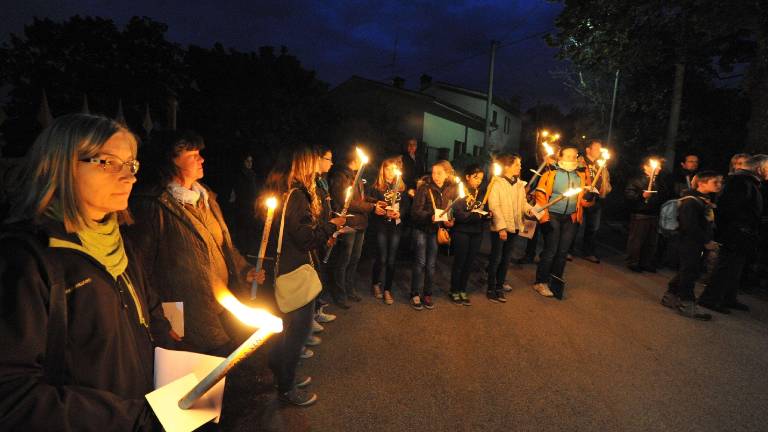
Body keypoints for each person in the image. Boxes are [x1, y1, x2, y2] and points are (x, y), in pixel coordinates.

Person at [0, 114, 175, 430]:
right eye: (108, 163)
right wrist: (134, 420)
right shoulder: (25, 259)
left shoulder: (123, 247)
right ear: (61, 165)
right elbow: (12, 395)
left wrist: (182, 377)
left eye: (132, 165)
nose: (129, 178)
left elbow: (153, 322)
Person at [127, 130, 260, 356]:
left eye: (200, 153)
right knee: (202, 372)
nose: (202, 159)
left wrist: (243, 269)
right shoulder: (152, 206)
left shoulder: (205, 197)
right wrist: (157, 319)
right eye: (193, 154)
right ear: (171, 160)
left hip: (221, 305)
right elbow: (139, 270)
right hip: (185, 316)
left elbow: (222, 244)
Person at [263, 146, 346, 406]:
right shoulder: (297, 196)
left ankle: (282, 377)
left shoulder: (280, 190)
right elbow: (304, 238)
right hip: (294, 271)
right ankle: (287, 387)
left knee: (284, 332)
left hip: (282, 270)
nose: (316, 167)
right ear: (303, 165)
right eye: (313, 162)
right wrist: (331, 226)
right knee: (296, 334)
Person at [698, 155, 767, 314]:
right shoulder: (739, 182)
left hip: (743, 232)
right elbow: (730, 208)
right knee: (727, 265)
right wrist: (743, 224)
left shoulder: (749, 182)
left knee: (736, 267)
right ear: (759, 168)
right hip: (735, 232)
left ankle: (728, 297)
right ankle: (710, 298)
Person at [533, 146, 594, 298]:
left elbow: (584, 200)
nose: (571, 159)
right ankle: (541, 282)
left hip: (571, 217)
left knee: (562, 252)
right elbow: (540, 195)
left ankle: (555, 281)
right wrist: (545, 218)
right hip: (552, 215)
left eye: (574, 156)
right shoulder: (551, 171)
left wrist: (589, 199)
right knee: (551, 250)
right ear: (560, 157)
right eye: (568, 156)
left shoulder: (580, 174)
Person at [327, 146, 385, 308]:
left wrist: (374, 202)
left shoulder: (355, 176)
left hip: (360, 223)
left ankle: (349, 289)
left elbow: (362, 197)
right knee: (344, 260)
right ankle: (340, 294)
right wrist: (372, 208)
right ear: (355, 159)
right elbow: (346, 202)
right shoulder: (341, 176)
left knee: (354, 259)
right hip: (349, 223)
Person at [660, 171, 723, 320]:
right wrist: (705, 241)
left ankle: (670, 296)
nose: (719, 185)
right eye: (715, 182)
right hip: (689, 242)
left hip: (694, 242)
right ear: (701, 183)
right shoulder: (691, 201)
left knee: (688, 270)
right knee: (690, 272)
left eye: (720, 182)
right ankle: (687, 304)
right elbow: (689, 226)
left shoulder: (702, 199)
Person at [410, 160, 457, 310]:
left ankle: (427, 293)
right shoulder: (424, 188)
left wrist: (449, 221)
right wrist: (429, 216)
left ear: (447, 174)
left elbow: (448, 210)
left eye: (439, 173)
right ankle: (415, 293)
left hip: (435, 230)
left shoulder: (450, 189)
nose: (435, 176)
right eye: (434, 172)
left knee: (431, 264)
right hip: (422, 229)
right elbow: (415, 212)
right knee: (420, 262)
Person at [486, 155, 532, 302]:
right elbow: (494, 205)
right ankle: (491, 287)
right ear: (507, 166)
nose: (520, 167)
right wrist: (501, 228)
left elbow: (523, 203)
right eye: (517, 164)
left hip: (515, 226)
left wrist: (529, 210)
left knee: (506, 259)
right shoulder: (497, 183)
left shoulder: (519, 185)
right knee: (496, 258)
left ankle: (500, 285)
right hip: (501, 228)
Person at [369, 156, 409, 305]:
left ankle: (387, 289)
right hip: (381, 226)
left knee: (392, 259)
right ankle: (375, 283)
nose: (390, 171)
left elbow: (405, 205)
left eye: (393, 168)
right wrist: (382, 211)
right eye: (387, 168)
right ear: (382, 170)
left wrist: (400, 213)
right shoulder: (376, 188)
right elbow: (372, 205)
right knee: (382, 257)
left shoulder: (400, 187)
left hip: (396, 227)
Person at [449, 164, 488, 305]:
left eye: (481, 179)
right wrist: (476, 216)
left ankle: (462, 289)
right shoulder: (460, 190)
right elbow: (459, 214)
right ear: (467, 177)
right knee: (460, 261)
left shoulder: (482, 192)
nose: (478, 181)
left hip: (477, 232)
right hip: (462, 231)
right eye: (475, 177)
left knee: (469, 262)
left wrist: (487, 214)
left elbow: (484, 209)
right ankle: (454, 289)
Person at [624, 157, 670, 273]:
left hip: (654, 214)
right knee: (637, 240)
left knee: (651, 241)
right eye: (656, 166)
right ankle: (633, 262)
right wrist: (641, 196)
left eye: (659, 166)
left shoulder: (659, 181)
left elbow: (664, 195)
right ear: (646, 167)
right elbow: (629, 195)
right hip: (641, 214)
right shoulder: (637, 180)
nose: (659, 168)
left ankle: (646, 262)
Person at [576, 140, 612, 263]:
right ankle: (568, 250)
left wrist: (604, 190)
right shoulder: (580, 161)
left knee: (593, 228)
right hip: (581, 198)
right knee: (576, 225)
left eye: (600, 149)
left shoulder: (601, 164)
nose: (598, 152)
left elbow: (605, 180)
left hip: (596, 200)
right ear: (588, 150)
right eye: (596, 149)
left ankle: (588, 252)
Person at [313, 145, 337, 325]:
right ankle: (309, 317)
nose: (331, 163)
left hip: (324, 230)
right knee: (313, 272)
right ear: (318, 159)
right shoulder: (312, 183)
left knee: (320, 270)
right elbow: (316, 213)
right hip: (316, 233)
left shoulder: (322, 180)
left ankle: (317, 309)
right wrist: (328, 229)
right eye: (328, 159)